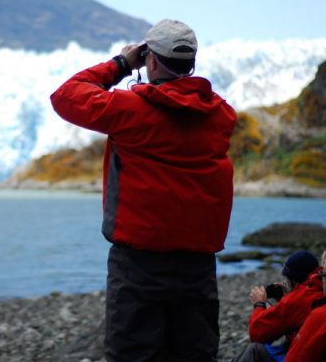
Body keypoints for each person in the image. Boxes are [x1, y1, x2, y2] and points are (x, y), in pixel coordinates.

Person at [50, 19, 236, 361]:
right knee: (194, 353)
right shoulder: (221, 116)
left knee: (133, 352)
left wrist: (121, 64)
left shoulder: (130, 110)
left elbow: (65, 96)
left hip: (138, 264)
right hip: (197, 266)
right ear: (191, 63)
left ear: (150, 60)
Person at [233, 250, 322, 362]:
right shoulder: (320, 288)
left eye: (287, 280)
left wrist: (259, 304)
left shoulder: (297, 299)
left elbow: (257, 332)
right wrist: (285, 299)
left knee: (254, 350)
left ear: (293, 279)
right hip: (315, 353)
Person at [285, 249, 326, 362]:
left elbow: (295, 358)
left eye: (323, 274)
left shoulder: (322, 316)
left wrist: (259, 304)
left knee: (254, 350)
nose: (321, 278)